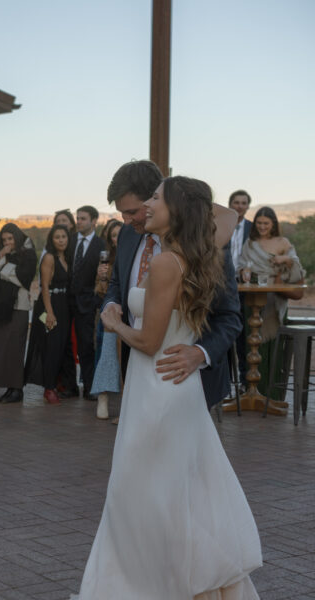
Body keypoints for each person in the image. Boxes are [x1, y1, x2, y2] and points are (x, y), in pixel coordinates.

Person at [62, 175, 275, 600]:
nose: (133, 218)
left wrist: (117, 325)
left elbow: (217, 320)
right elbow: (126, 288)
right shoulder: (150, 241)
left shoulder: (191, 249)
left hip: (166, 383)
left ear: (169, 205)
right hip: (153, 389)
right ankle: (135, 596)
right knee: (148, 496)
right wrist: (115, 302)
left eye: (146, 204)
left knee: (160, 497)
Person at [102, 160, 241, 409]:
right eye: (122, 213)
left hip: (188, 378)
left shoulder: (208, 243)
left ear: (159, 202)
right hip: (138, 374)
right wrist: (112, 304)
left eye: (133, 212)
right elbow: (117, 282)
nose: (126, 221)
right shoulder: (127, 234)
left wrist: (200, 354)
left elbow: (229, 315)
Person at [237, 206, 305, 398]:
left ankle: (272, 394)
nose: (262, 226)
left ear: (273, 223)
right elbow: (242, 266)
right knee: (251, 342)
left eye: (266, 223)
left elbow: (296, 265)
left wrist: (286, 259)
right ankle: (253, 391)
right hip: (252, 298)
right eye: (259, 223)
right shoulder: (250, 243)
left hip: (275, 300)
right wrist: (243, 272)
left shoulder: (283, 242)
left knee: (273, 343)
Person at [0, 223, 36, 404]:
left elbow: (25, 278)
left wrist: (5, 271)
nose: (7, 242)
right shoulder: (4, 255)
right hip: (1, 307)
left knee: (15, 349)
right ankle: (8, 388)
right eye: (4, 240)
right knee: (1, 348)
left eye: (10, 239)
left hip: (19, 306)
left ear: (17, 237)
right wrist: (0, 256)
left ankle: (17, 390)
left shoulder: (28, 254)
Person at [25, 225, 72, 405]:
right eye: (57, 237)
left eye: (64, 236)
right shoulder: (49, 258)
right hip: (47, 307)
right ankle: (49, 388)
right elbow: (44, 287)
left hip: (63, 305)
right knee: (51, 346)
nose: (61, 240)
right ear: (51, 240)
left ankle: (54, 383)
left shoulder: (66, 257)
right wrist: (50, 314)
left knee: (60, 346)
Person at [70, 205, 106, 398]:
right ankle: (69, 385)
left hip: (87, 301)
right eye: (78, 218)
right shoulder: (70, 240)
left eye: (83, 218)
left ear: (94, 221)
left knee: (85, 344)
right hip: (67, 300)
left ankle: (90, 386)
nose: (79, 222)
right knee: (64, 343)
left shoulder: (101, 245)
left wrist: (94, 299)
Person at [90, 219, 124, 420]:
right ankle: (103, 396)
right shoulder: (106, 259)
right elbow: (100, 292)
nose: (117, 238)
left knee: (130, 359)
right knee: (106, 353)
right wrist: (102, 277)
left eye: (120, 234)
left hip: (132, 311)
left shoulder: (135, 255)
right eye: (113, 235)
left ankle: (127, 406)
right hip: (110, 312)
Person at [228, 190, 252, 380]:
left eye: (243, 203)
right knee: (225, 328)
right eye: (236, 202)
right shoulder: (221, 226)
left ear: (248, 206)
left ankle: (245, 378)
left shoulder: (253, 228)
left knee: (244, 333)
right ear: (230, 204)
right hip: (224, 284)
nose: (240, 206)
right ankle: (227, 379)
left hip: (245, 286)